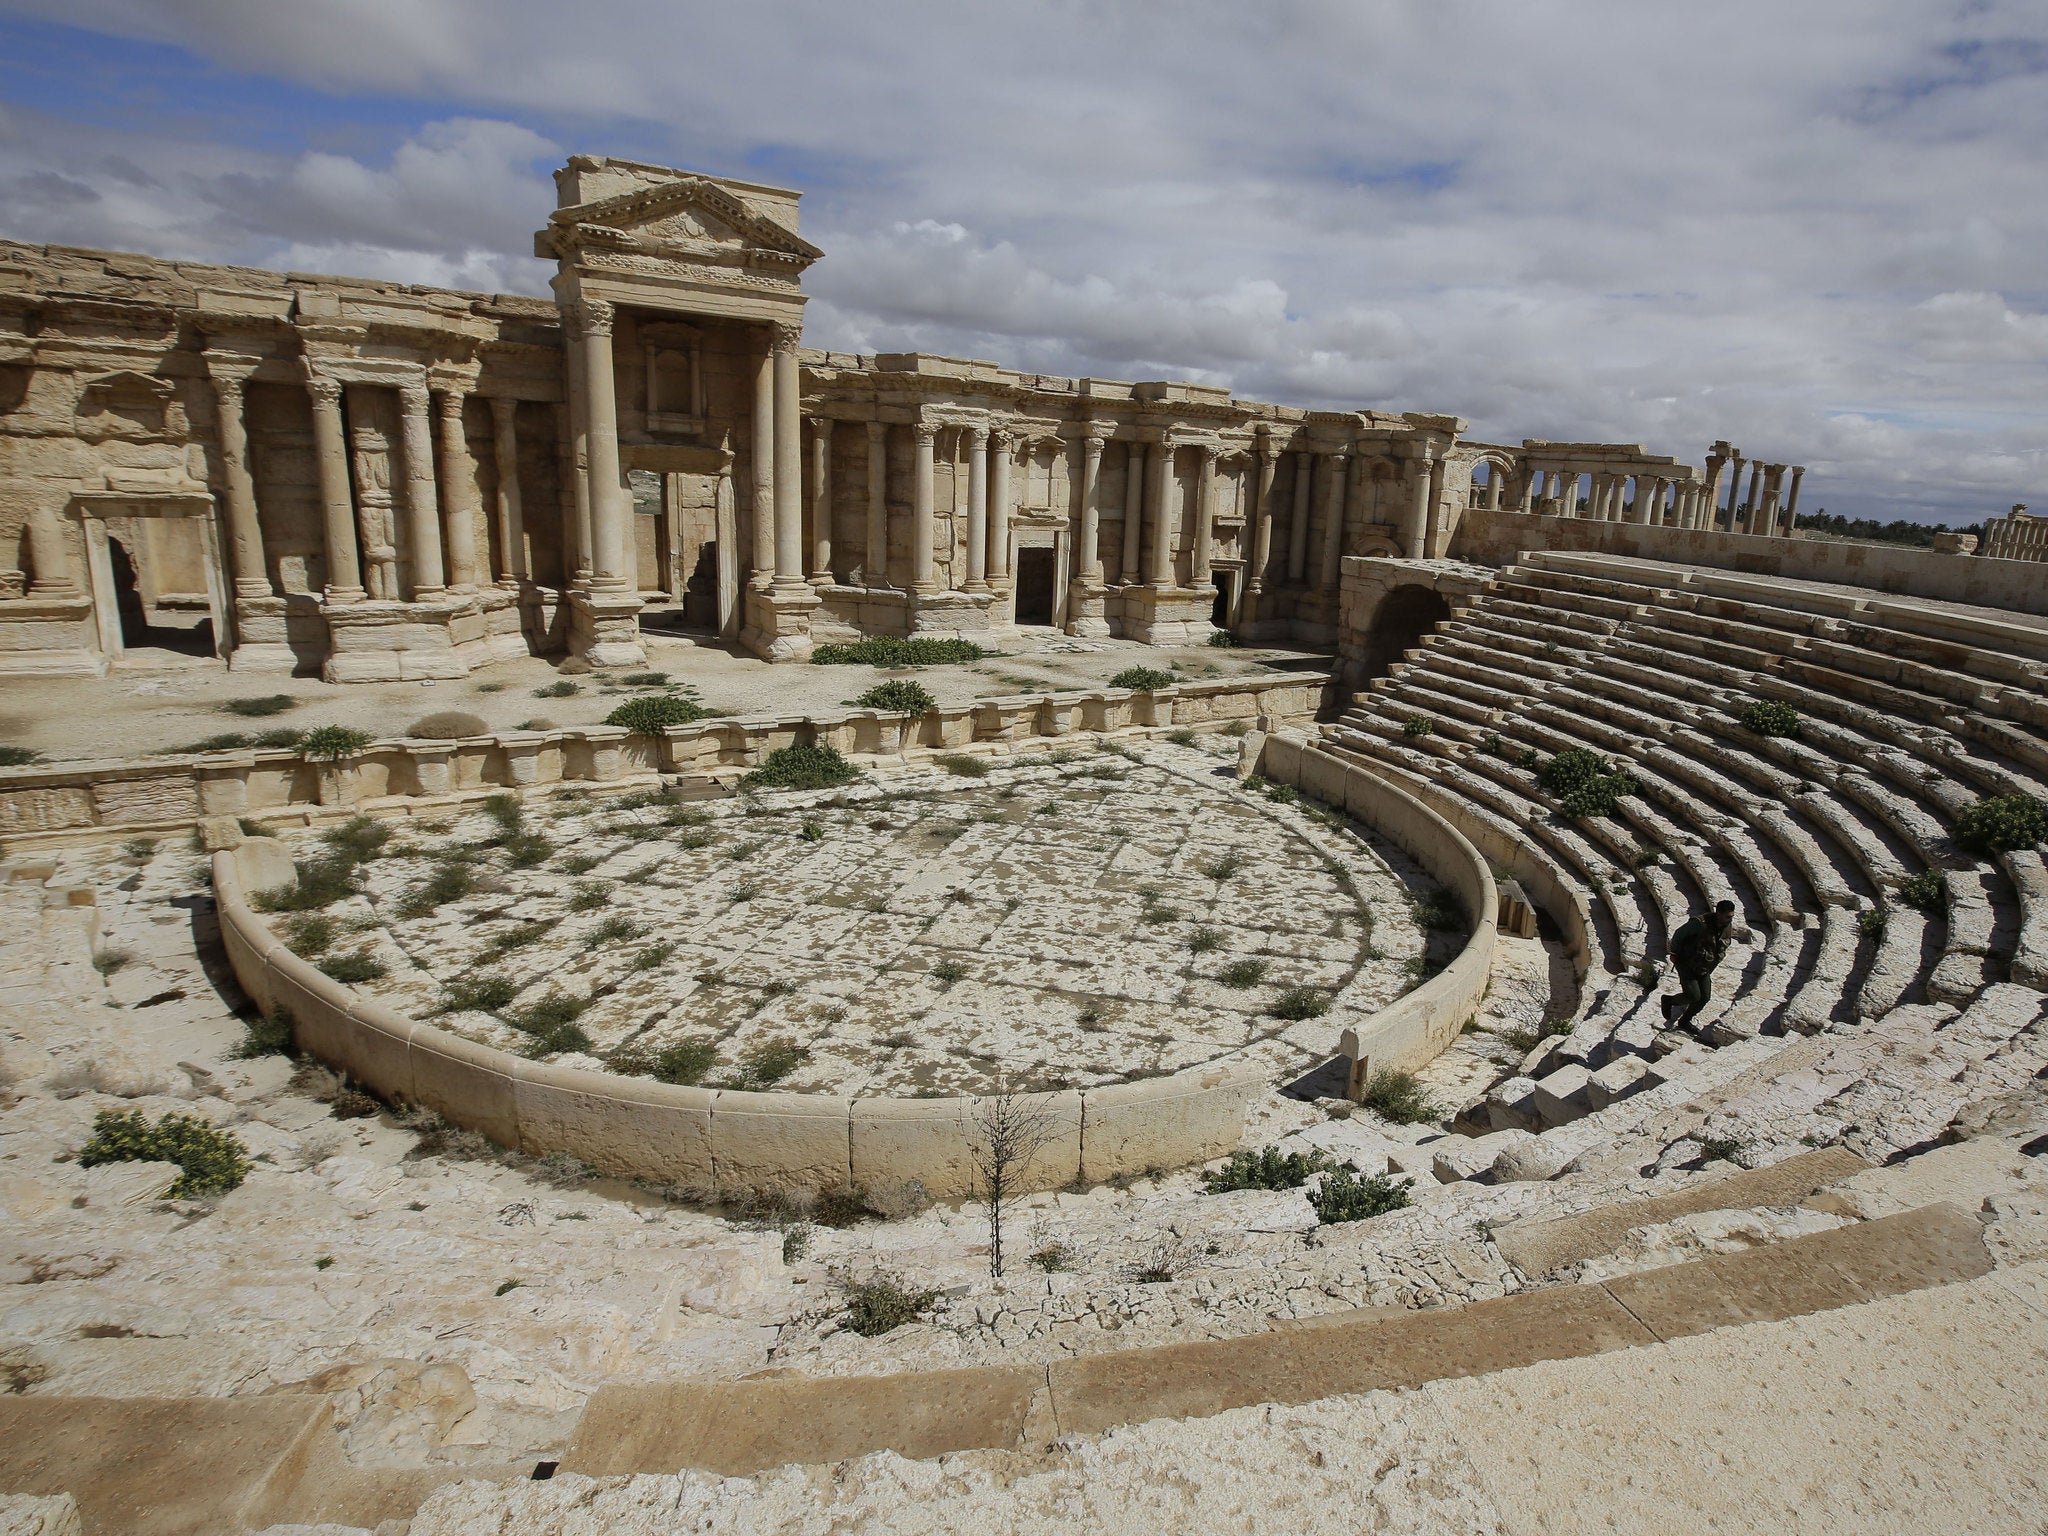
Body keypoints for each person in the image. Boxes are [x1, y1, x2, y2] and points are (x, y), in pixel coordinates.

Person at [1661, 899, 1736, 1030]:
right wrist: (1673, 953)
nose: (1730, 919)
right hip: (1686, 962)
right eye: (1727, 916)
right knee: (1693, 995)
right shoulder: (1700, 923)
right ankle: (1669, 1001)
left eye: (1731, 916)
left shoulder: (1726, 927)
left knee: (1705, 997)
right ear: (1719, 913)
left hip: (1704, 966)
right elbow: (1679, 934)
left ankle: (1685, 1021)